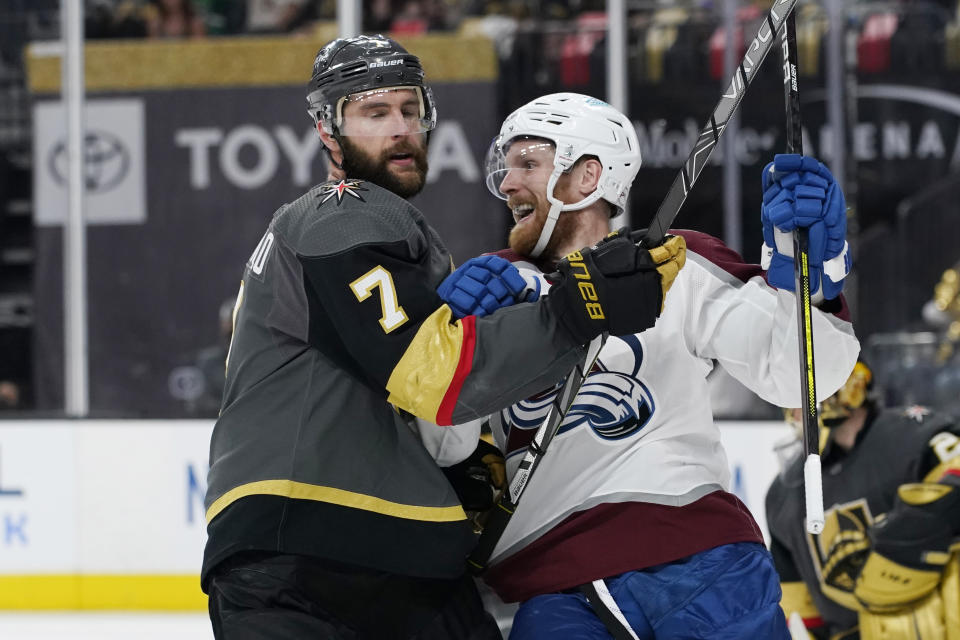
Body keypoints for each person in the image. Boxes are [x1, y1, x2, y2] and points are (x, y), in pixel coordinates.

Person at [201, 39, 683, 640]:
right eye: (375, 114)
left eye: (410, 109)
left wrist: (472, 467)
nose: (402, 129)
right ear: (328, 130)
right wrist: (576, 310)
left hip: (398, 555)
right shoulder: (342, 212)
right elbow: (435, 375)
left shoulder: (408, 241)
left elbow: (438, 427)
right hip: (307, 555)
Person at [434, 92, 861, 639]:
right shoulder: (491, 286)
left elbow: (800, 376)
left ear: (588, 176)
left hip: (700, 564)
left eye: (528, 163)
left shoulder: (671, 263)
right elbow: (444, 446)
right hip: (553, 586)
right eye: (507, 165)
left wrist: (814, 281)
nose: (508, 183)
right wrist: (447, 343)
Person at [766, 360, 960, 640]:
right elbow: (801, 611)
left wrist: (906, 538)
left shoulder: (912, 435)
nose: (794, 412)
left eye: (801, 397)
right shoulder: (785, 494)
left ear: (844, 391)